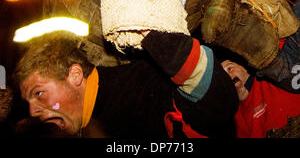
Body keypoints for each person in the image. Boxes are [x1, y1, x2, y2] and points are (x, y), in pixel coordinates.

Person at [14, 29, 238, 138]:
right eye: (29, 100)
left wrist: (153, 35)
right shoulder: (86, 125)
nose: (33, 111)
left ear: (74, 76)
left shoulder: (140, 85)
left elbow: (218, 105)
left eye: (39, 93)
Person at [221, 59, 300, 138]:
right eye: (224, 77)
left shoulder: (269, 78)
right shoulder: (236, 116)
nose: (229, 77)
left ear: (243, 68)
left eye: (230, 69)